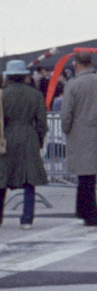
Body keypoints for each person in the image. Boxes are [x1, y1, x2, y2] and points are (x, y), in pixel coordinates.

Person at [61, 49, 97, 226]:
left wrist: (66, 128)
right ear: (91, 63)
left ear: (76, 65)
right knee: (90, 174)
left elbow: (66, 112)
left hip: (79, 132)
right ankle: (84, 209)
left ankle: (90, 212)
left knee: (84, 174)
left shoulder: (72, 85)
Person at [0, 59, 48, 226]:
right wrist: (40, 140)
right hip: (29, 136)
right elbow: (42, 122)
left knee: (2, 177)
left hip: (7, 136)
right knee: (29, 178)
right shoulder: (35, 94)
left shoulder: (2, 94)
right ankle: (27, 219)